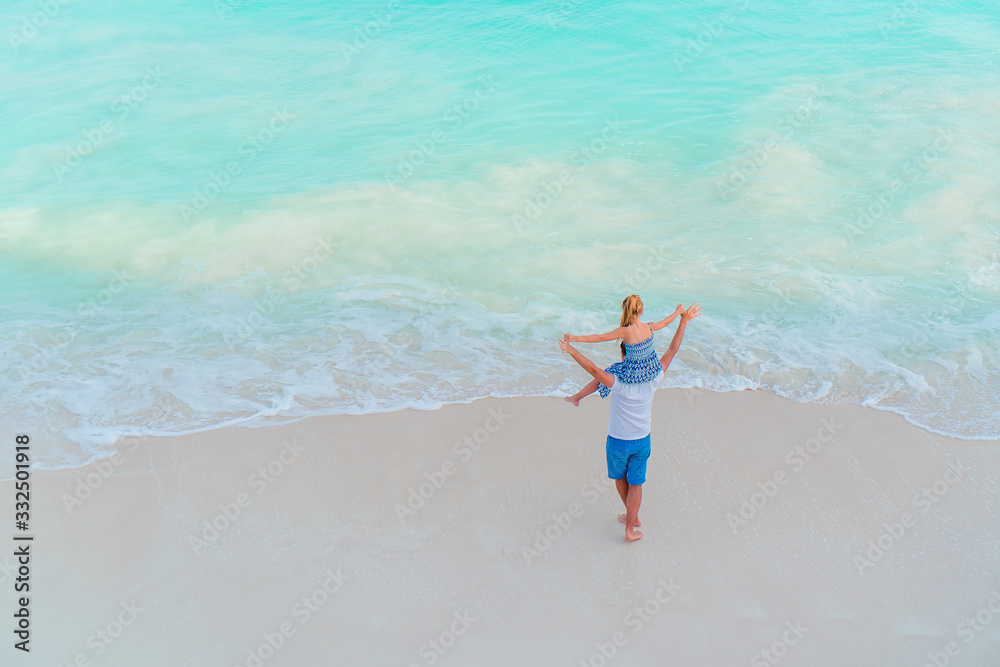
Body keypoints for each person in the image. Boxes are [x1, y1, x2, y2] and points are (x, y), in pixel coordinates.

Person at [559, 302, 701, 542]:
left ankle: (631, 516)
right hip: (642, 440)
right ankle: (630, 525)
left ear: (624, 355)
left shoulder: (619, 382)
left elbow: (594, 371)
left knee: (620, 479)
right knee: (637, 483)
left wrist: (572, 349)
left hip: (617, 442)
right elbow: (672, 350)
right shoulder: (654, 378)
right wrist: (682, 320)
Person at [564, 295, 683, 397]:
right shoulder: (649, 326)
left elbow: (601, 337)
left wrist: (575, 338)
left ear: (625, 311)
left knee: (605, 373)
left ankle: (578, 397)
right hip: (651, 370)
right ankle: (577, 397)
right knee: (604, 373)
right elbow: (666, 322)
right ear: (642, 311)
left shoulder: (625, 331)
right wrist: (678, 311)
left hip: (633, 374)